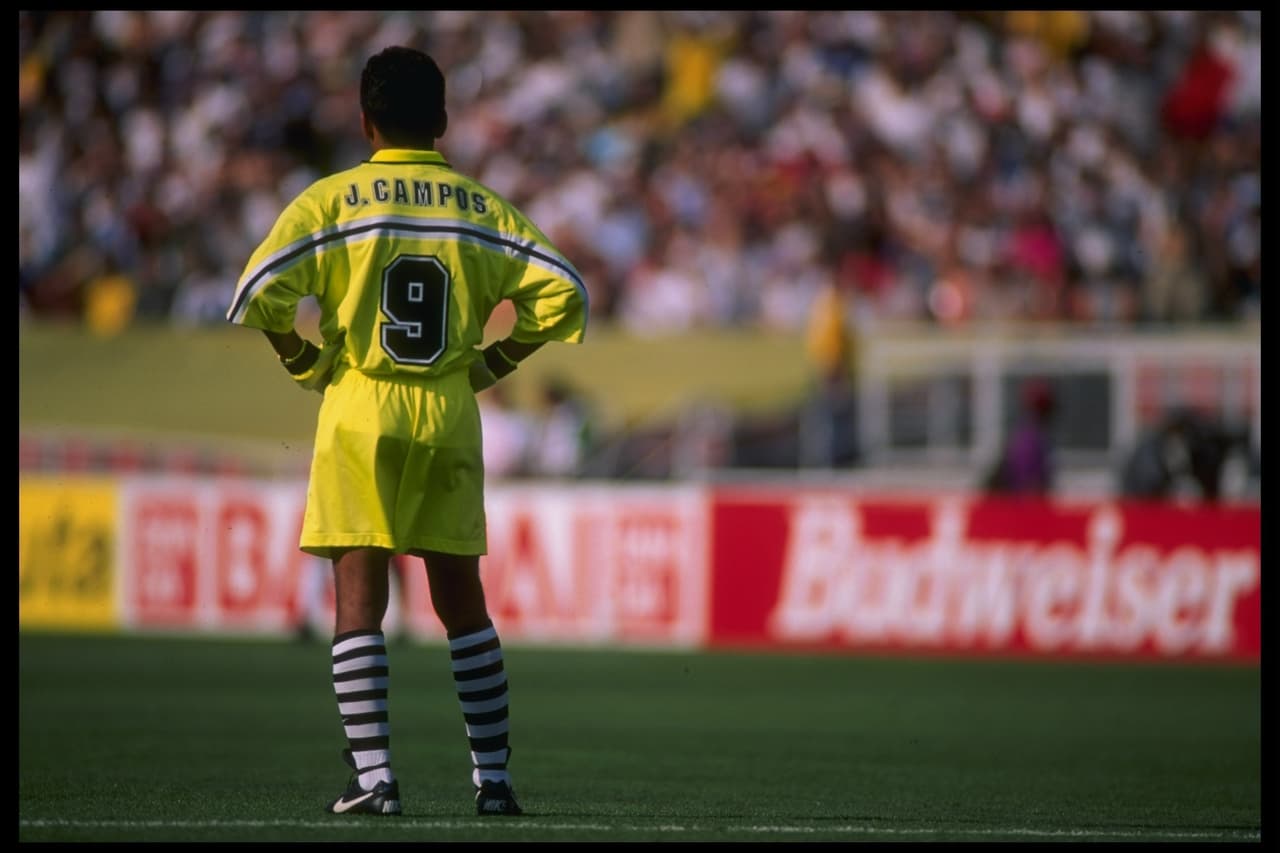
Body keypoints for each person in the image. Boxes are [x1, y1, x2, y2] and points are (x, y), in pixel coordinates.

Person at [225, 45, 589, 818]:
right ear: (444, 122)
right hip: (450, 407)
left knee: (359, 593)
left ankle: (377, 778)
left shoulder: (333, 200)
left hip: (363, 403)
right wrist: (493, 362)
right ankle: (493, 781)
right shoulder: (479, 207)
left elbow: (259, 289)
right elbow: (564, 292)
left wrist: (301, 356)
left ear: (364, 121)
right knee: (462, 600)